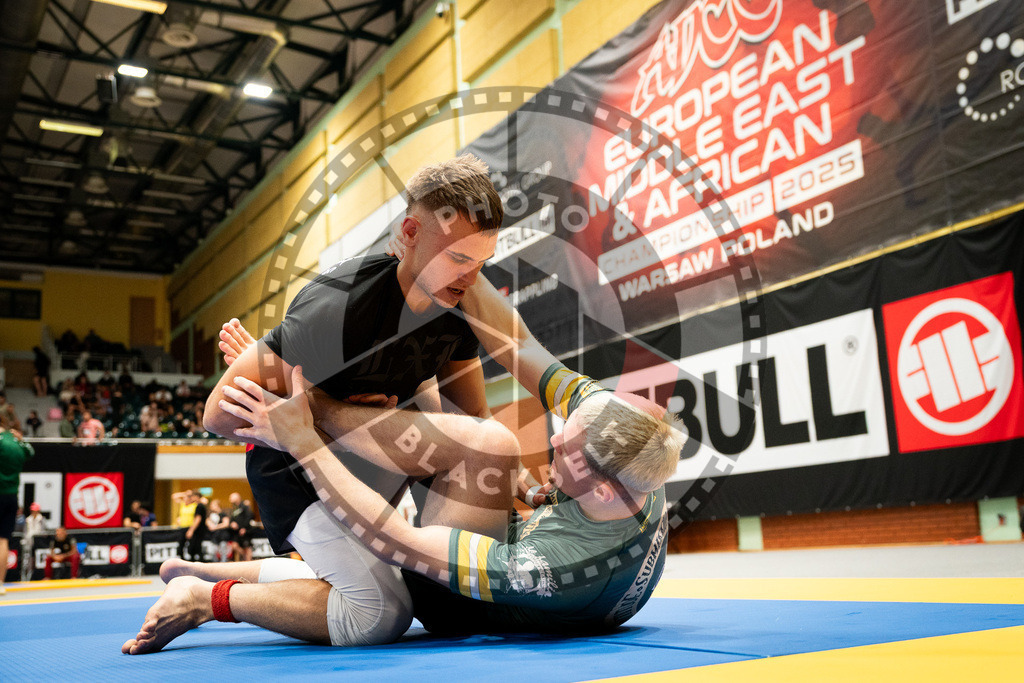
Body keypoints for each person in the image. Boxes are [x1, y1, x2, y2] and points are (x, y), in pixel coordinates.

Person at [121, 273, 683, 653]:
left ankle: (207, 596)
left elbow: (395, 538)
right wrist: (462, 261)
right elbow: (525, 347)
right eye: (569, 426)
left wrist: (306, 434)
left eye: (569, 450)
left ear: (605, 492)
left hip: (459, 602)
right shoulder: (632, 450)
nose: (555, 440)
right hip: (516, 536)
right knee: (483, 443)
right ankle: (205, 572)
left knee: (379, 606)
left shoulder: (557, 569)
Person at [0, 426, 34, 595]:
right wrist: (21, 439)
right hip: (11, 496)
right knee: (3, 541)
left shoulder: (2, 443)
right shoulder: (16, 443)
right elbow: (30, 452)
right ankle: (0, 582)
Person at [227, 492, 253, 562]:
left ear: (237, 498)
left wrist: (244, 528)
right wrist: (231, 523)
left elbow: (249, 517)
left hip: (245, 531)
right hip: (236, 532)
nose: (230, 499)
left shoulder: (244, 506)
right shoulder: (233, 508)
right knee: (234, 545)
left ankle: (248, 562)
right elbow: (231, 519)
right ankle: (244, 557)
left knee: (247, 547)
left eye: (231, 497)